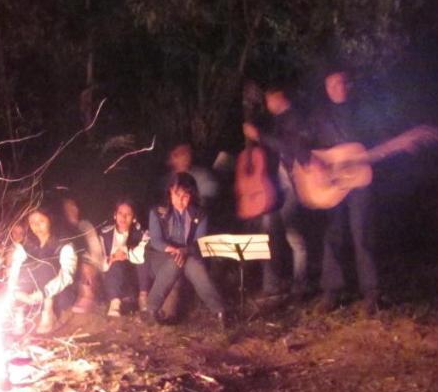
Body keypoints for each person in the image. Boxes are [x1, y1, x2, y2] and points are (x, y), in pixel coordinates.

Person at [311, 68, 381, 311]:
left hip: (359, 180)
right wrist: (314, 162)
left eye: (339, 83)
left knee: (361, 233)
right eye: (329, 86)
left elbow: (377, 142)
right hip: (333, 183)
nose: (335, 89)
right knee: (333, 234)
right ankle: (331, 291)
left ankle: (371, 292)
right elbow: (302, 141)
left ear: (348, 85)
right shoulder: (320, 116)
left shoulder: (364, 112)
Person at [243, 84, 312, 297]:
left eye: (269, 99)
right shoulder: (277, 120)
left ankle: (300, 284)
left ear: (279, 96)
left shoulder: (295, 118)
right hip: (276, 184)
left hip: (294, 181)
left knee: (293, 233)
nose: (267, 103)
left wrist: (259, 136)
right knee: (269, 234)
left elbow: (289, 147)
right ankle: (271, 285)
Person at [145, 172, 227, 325]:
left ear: (192, 195)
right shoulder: (157, 212)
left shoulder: (200, 214)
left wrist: (185, 251)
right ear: (170, 191)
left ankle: (220, 311)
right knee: (175, 262)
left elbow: (199, 242)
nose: (181, 201)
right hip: (162, 256)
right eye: (177, 195)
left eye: (185, 196)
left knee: (195, 266)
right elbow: (155, 241)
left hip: (189, 255)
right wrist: (173, 249)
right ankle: (152, 309)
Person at [13, 207, 77, 334]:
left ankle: (48, 312)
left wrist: (45, 292)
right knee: (24, 267)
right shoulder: (27, 245)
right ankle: (19, 313)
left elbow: (67, 275)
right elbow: (15, 270)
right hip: (33, 297)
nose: (37, 226)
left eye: (41, 221)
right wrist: (17, 292)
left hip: (58, 296)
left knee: (45, 265)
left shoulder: (64, 244)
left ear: (50, 220)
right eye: (32, 222)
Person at [97, 199, 148, 317]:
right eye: (120, 213)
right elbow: (100, 260)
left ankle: (142, 298)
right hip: (113, 276)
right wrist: (113, 258)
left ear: (134, 218)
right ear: (115, 215)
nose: (123, 217)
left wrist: (126, 255)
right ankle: (115, 303)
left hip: (133, 275)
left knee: (142, 260)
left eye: (128, 214)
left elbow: (142, 251)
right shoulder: (105, 234)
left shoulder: (140, 233)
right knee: (116, 264)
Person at [60, 196, 104, 314]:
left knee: (86, 268)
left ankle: (87, 297)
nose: (72, 210)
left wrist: (90, 265)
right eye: (68, 208)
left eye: (74, 207)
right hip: (68, 272)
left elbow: (96, 253)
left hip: (89, 270)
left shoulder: (85, 226)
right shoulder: (60, 230)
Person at [156, 142, 220, 212]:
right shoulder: (163, 182)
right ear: (170, 159)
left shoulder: (205, 177)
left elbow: (205, 207)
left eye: (187, 152)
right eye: (179, 154)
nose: (185, 157)